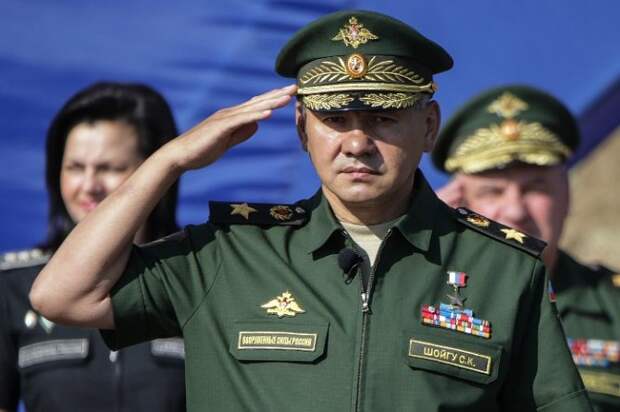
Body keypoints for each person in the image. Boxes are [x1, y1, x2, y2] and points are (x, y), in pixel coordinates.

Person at [30, 11, 592, 411]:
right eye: (334, 120)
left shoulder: (503, 269)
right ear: (302, 129)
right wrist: (169, 160)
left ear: (428, 127)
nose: (356, 142)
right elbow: (63, 296)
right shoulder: (229, 252)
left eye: (382, 117)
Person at [432, 84, 620, 411]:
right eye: (492, 191)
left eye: (536, 188)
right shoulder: (417, 296)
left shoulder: (612, 306)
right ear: (460, 203)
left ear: (566, 195)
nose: (516, 210)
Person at [0, 82, 186, 412]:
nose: (88, 186)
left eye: (109, 168)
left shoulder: (197, 277)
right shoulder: (12, 285)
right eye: (74, 168)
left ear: (156, 176)